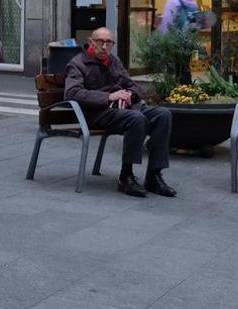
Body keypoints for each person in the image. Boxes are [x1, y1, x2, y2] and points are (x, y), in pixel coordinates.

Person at [64, 27, 176, 198]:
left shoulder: (114, 61)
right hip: (98, 114)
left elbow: (133, 86)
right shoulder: (78, 64)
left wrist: (129, 94)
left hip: (124, 110)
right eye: (100, 41)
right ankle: (126, 176)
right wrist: (109, 97)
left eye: (108, 42)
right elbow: (72, 93)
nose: (104, 46)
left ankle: (154, 175)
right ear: (91, 42)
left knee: (163, 114)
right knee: (136, 118)